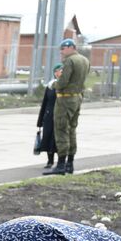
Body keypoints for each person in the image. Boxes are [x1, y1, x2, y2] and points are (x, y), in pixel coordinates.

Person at [44, 39, 87, 176]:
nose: (61, 51)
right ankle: (70, 163)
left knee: (61, 129)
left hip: (66, 99)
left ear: (70, 47)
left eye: (63, 48)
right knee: (72, 130)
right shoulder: (84, 60)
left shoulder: (69, 61)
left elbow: (63, 81)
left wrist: (53, 85)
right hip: (77, 97)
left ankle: (61, 164)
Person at [36, 63, 60, 171]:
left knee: (58, 140)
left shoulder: (66, 86)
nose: (61, 72)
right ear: (55, 73)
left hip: (61, 117)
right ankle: (50, 161)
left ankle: (61, 161)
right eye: (59, 70)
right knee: (48, 138)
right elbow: (44, 103)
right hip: (49, 117)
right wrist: (40, 121)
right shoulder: (50, 86)